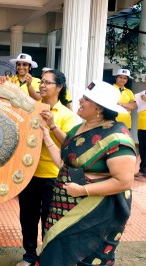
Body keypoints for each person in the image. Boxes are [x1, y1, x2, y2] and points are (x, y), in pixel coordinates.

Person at [39, 80, 136, 265]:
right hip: (63, 204)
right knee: (56, 250)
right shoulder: (79, 128)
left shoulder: (117, 136)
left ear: (98, 108)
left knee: (88, 256)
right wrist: (47, 134)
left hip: (96, 208)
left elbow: (124, 182)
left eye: (86, 99)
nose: (80, 101)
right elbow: (64, 161)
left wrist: (82, 191)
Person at [15, 69, 76, 266]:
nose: (42, 85)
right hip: (29, 174)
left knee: (50, 219)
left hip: (54, 176)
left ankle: (47, 257)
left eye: (47, 82)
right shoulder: (30, 108)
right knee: (28, 217)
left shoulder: (67, 115)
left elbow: (69, 144)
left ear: (58, 87)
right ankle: (29, 255)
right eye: (41, 81)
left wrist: (52, 126)